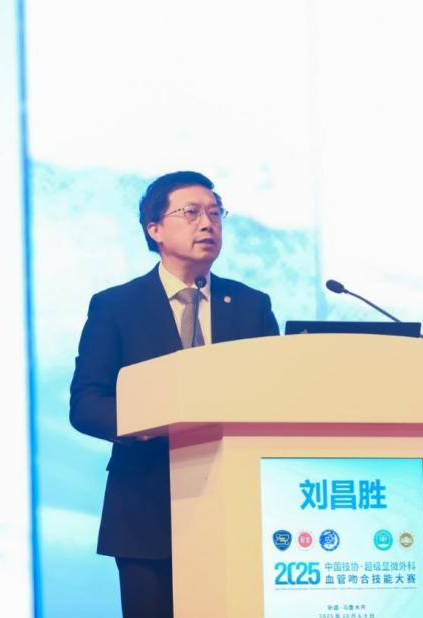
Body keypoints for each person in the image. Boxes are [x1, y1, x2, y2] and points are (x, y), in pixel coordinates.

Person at [69, 171, 279, 617]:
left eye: (216, 213)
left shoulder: (251, 305)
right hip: (146, 509)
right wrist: (146, 421)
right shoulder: (116, 306)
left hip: (236, 505)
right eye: (192, 213)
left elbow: (274, 394)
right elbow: (86, 403)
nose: (208, 224)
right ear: (155, 229)